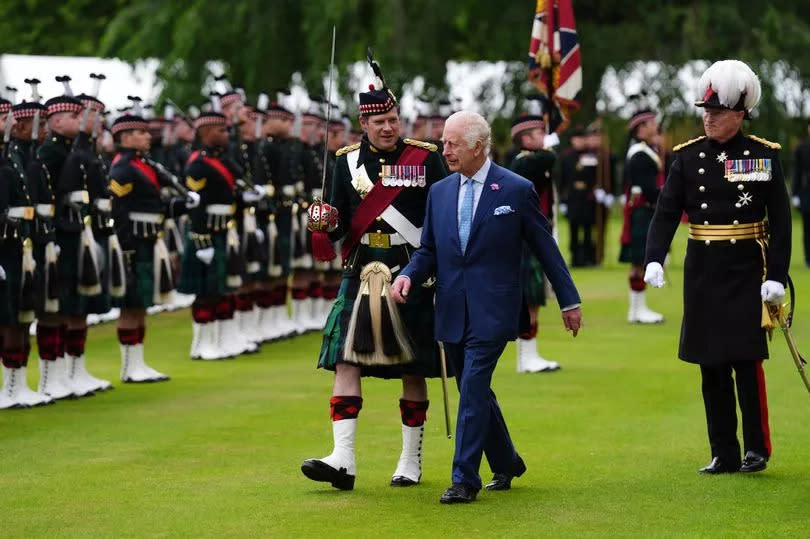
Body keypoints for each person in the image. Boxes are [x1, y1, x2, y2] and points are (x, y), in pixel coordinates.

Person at [391, 110, 582, 504]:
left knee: (473, 386)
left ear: (478, 146)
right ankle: (507, 461)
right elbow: (428, 249)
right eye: (444, 142)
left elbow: (546, 248)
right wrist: (409, 273)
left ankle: (464, 478)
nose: (444, 150)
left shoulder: (515, 189)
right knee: (474, 389)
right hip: (452, 309)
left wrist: (569, 300)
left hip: (494, 310)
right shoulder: (440, 192)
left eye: (452, 143)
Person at [301, 59, 449, 491]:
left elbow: (439, 220)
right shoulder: (345, 163)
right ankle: (342, 460)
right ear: (363, 123)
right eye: (380, 121)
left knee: (413, 366)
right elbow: (340, 225)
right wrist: (324, 222)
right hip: (360, 273)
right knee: (344, 360)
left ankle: (410, 460)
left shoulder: (425, 159)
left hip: (411, 275)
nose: (389, 127)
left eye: (394, 119)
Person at [644, 60, 791, 474]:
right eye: (705, 112)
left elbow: (781, 222)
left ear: (740, 114)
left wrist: (777, 275)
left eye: (717, 112)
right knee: (710, 364)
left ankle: (756, 448)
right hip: (704, 271)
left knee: (746, 361)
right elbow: (666, 211)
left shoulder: (761, 156)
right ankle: (722, 451)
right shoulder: (688, 159)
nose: (708, 118)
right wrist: (653, 257)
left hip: (747, 270)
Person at [109, 108, 197, 381]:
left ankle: (138, 362)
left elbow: (156, 207)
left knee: (141, 303)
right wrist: (125, 248)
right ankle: (128, 367)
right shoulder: (123, 168)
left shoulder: (144, 165)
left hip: (149, 239)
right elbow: (120, 211)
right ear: (124, 137)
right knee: (130, 303)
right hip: (133, 241)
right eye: (140, 132)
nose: (148, 136)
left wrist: (183, 206)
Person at [507, 109, 561, 373]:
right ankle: (525, 357)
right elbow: (547, 161)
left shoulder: (532, 160)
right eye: (539, 132)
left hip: (535, 234)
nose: (544, 136)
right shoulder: (523, 162)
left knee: (534, 297)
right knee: (530, 296)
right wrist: (550, 149)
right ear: (525, 139)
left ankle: (529, 354)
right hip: (525, 237)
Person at [619, 107, 665, 324]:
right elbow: (648, 188)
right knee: (639, 262)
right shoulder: (639, 154)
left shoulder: (647, 151)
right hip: (641, 212)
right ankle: (636, 310)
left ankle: (638, 308)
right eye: (650, 123)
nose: (655, 126)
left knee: (640, 262)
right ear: (640, 129)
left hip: (645, 211)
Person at [792, 119, 810, 267]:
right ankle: (808, 259)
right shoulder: (802, 149)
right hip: (807, 193)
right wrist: (795, 194)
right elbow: (797, 173)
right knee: (808, 228)